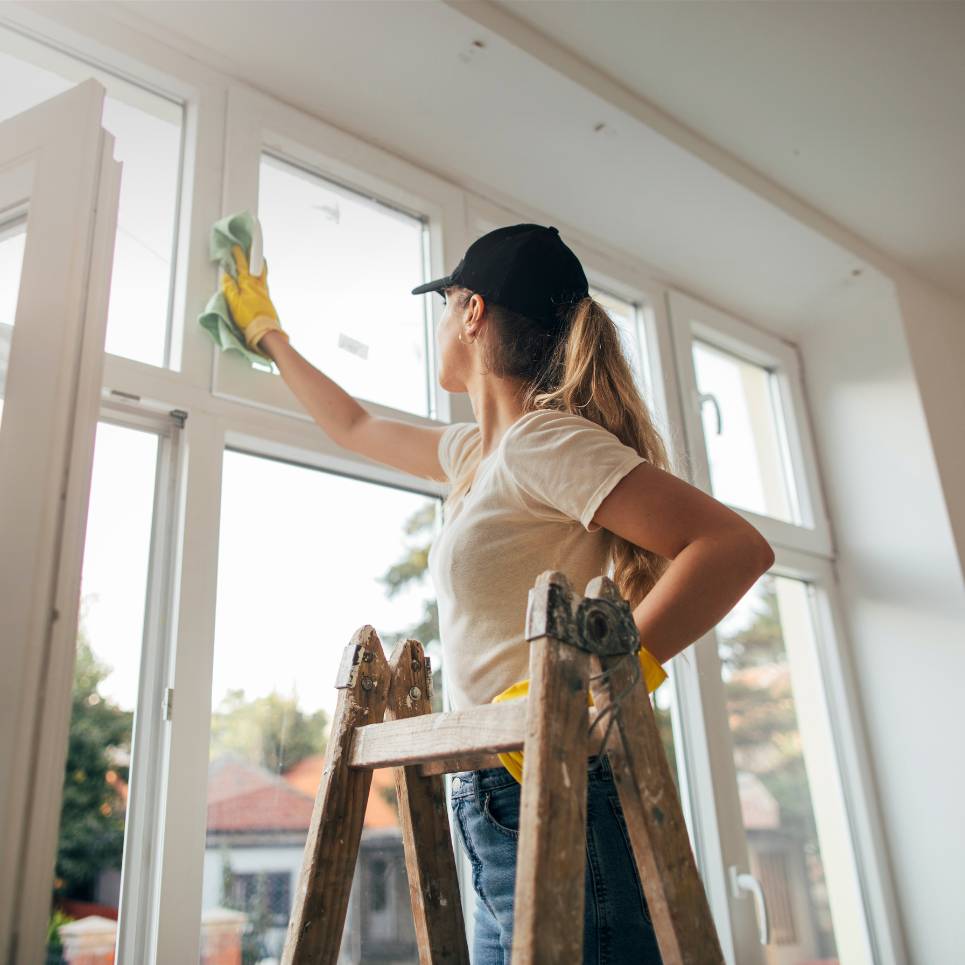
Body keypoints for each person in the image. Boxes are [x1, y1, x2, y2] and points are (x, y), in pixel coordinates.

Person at [221, 223, 775, 963]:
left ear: (472, 310)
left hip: (557, 787)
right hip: (491, 797)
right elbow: (352, 424)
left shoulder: (544, 442)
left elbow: (733, 548)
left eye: (445, 304)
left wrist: (595, 685)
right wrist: (268, 333)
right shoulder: (474, 454)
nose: (441, 322)